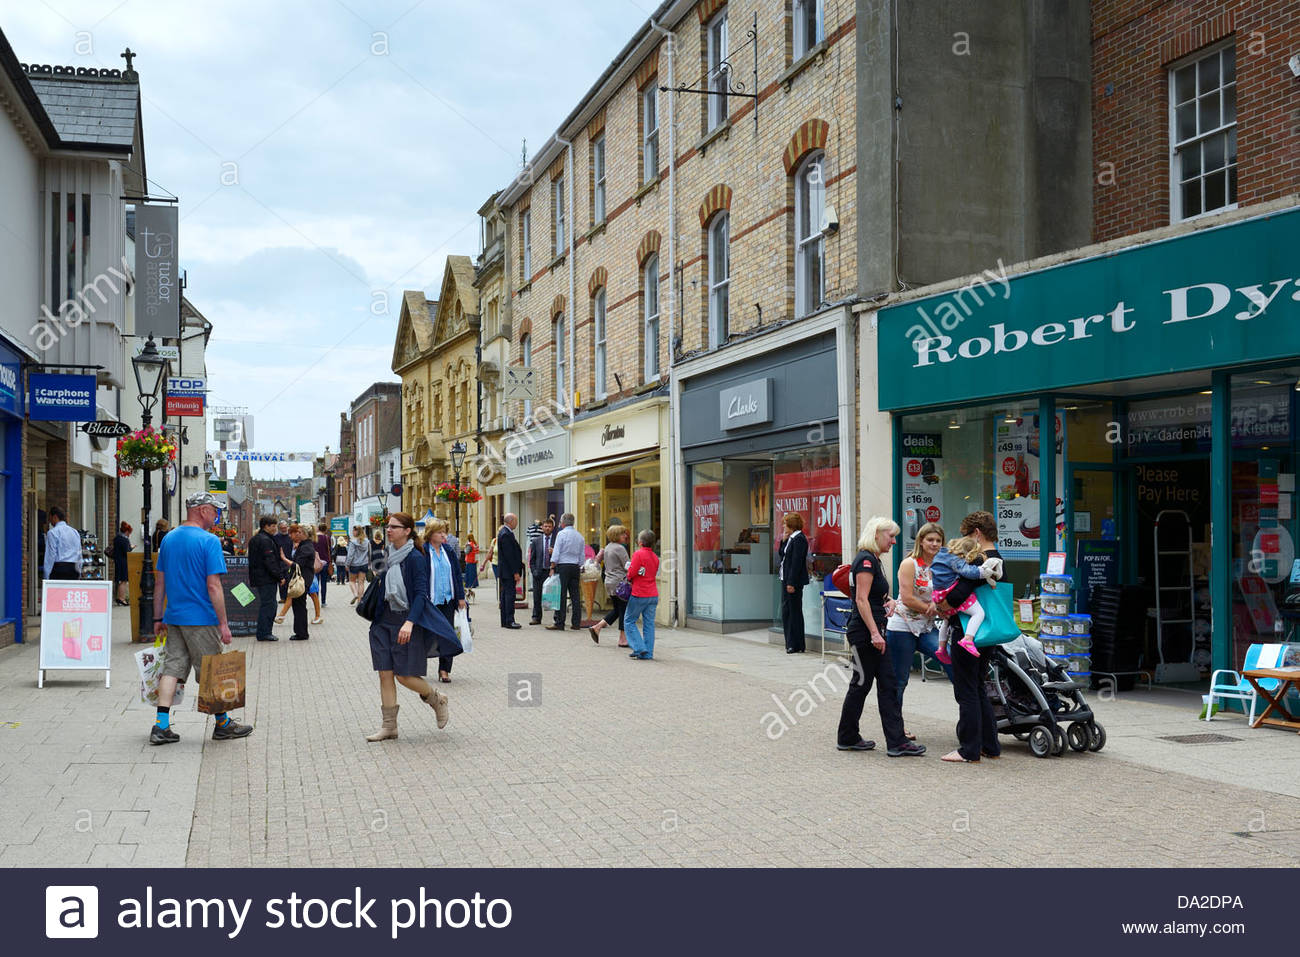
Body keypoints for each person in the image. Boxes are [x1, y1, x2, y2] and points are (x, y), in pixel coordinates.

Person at [148, 492, 253, 745]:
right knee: (211, 671)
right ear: (202, 510)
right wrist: (224, 624)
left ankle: (161, 725)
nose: (216, 516)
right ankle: (223, 724)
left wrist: (157, 618)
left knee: (172, 668)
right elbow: (214, 586)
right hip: (201, 618)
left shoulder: (169, 539)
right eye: (214, 511)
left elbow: (159, 583)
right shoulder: (209, 541)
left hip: (174, 617)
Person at [835, 516, 926, 757]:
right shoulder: (866, 560)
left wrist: (888, 601)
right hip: (867, 633)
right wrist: (875, 633)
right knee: (885, 684)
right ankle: (896, 742)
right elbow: (861, 599)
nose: (894, 541)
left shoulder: (871, 559)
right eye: (891, 536)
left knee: (863, 684)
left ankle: (848, 736)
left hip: (867, 630)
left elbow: (870, 596)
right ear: (876, 534)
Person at [365, 511, 455, 741]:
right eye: (388, 526)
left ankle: (436, 698)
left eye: (394, 527)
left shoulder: (415, 557)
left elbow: (420, 595)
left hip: (404, 620)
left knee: (404, 676)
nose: (389, 530)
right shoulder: (386, 553)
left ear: (407, 531)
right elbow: (377, 580)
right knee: (385, 673)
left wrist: (410, 622)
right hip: (382, 621)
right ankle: (389, 727)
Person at [942, 511, 1005, 764]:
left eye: (968, 534)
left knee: (966, 690)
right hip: (989, 632)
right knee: (978, 688)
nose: (966, 540)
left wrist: (942, 604)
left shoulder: (980, 560)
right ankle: (990, 745)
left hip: (968, 632)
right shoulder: (998, 558)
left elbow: (959, 593)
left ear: (977, 533)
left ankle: (968, 749)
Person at [885, 522, 951, 738]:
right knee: (900, 679)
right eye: (930, 539)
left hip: (927, 627)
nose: (934, 544)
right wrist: (932, 608)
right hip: (903, 626)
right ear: (921, 541)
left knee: (950, 660)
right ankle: (897, 728)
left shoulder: (943, 565)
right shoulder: (909, 563)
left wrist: (941, 606)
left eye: (938, 540)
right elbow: (907, 598)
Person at [931, 536, 1002, 662]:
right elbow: (968, 572)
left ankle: (941, 647)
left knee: (946, 621)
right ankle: (968, 639)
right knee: (979, 613)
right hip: (950, 592)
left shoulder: (940, 555)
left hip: (938, 593)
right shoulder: (956, 560)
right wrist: (982, 571)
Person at [423, 519, 466, 683]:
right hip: (430, 600)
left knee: (447, 636)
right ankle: (416, 666)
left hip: (448, 599)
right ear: (430, 534)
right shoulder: (423, 551)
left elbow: (456, 574)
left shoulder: (448, 550)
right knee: (426, 635)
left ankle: (444, 670)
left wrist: (461, 597)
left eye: (444, 531)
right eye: (439, 532)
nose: (443, 535)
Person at [588, 525, 630, 646]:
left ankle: (597, 627)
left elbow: (599, 560)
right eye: (623, 534)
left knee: (617, 609)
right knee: (623, 609)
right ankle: (623, 638)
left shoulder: (607, 547)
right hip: (620, 582)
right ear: (617, 536)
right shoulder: (620, 548)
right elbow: (627, 566)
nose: (625, 536)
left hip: (609, 581)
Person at [623, 529, 660, 660]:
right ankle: (648, 652)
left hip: (639, 593)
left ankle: (639, 648)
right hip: (653, 594)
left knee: (629, 621)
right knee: (649, 624)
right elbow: (652, 572)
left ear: (640, 542)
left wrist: (629, 573)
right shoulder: (655, 557)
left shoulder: (638, 554)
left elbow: (631, 573)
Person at [247, 514, 284, 642]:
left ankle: (264, 632)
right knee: (269, 605)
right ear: (266, 526)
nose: (275, 528)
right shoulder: (266, 540)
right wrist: (280, 577)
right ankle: (264, 633)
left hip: (259, 577)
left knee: (267, 604)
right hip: (266, 578)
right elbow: (270, 561)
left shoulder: (255, 539)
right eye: (273, 526)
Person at [275, 524, 315, 640]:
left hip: (303, 579)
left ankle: (301, 633)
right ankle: (300, 632)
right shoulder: (303, 545)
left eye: (300, 532)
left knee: (299, 606)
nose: (298, 534)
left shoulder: (306, 547)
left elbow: (297, 565)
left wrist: (284, 558)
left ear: (305, 534)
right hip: (303, 578)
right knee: (298, 605)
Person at [546, 513, 586, 631]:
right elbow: (582, 555)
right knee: (575, 595)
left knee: (561, 595)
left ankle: (560, 622)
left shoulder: (561, 534)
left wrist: (552, 567)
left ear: (562, 523)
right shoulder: (579, 536)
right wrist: (579, 565)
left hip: (563, 566)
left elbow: (556, 552)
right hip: (575, 567)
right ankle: (576, 622)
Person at [777, 512, 810, 654]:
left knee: (794, 611)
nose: (783, 526)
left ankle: (796, 644)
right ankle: (790, 642)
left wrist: (791, 582)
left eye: (785, 523)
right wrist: (783, 541)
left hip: (792, 582)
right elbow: (782, 554)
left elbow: (796, 563)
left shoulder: (799, 539)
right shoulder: (790, 539)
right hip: (785, 579)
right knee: (787, 611)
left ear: (792, 525)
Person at [496, 513, 523, 628]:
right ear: (510, 521)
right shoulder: (506, 534)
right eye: (515, 521)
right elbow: (509, 556)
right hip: (508, 572)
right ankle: (509, 620)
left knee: (505, 595)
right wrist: (515, 572)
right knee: (509, 595)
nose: (516, 523)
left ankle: (505, 620)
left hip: (505, 571)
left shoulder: (505, 533)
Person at [527, 517, 555, 625]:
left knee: (554, 596)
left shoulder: (557, 540)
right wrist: (534, 571)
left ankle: (557, 618)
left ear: (552, 527)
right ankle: (536, 617)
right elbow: (532, 558)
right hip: (539, 571)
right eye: (545, 526)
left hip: (552, 572)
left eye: (549, 526)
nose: (547, 528)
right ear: (542, 527)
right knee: (537, 596)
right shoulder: (536, 541)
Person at [43, 506, 83, 580]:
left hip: (59, 569)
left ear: (55, 517)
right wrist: (79, 570)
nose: (49, 521)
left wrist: (46, 576)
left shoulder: (52, 532)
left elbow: (50, 555)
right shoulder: (75, 532)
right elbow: (79, 553)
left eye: (50, 518)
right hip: (74, 569)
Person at [111, 521, 133, 605]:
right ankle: (121, 598)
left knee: (119, 580)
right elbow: (126, 551)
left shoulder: (117, 538)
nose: (129, 535)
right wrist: (131, 548)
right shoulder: (124, 540)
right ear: (127, 531)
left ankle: (118, 597)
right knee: (123, 581)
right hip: (123, 562)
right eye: (129, 533)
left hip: (117, 561)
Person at [347, 525, 370, 603]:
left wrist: (347, 564)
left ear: (357, 532)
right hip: (364, 564)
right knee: (361, 583)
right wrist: (369, 563)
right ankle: (360, 601)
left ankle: (355, 594)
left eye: (354, 530)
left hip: (354, 564)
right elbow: (370, 553)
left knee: (352, 581)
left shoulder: (353, 542)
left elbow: (350, 555)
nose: (353, 532)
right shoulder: (367, 541)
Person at [274, 520, 292, 601]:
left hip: (289, 561)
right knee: (281, 580)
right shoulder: (276, 537)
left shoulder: (290, 536)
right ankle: (282, 597)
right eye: (282, 528)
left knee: (289, 579)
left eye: (285, 528)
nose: (284, 529)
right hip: (280, 561)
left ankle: (289, 597)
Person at [315, 522, 332, 607]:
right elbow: (329, 550)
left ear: (318, 528)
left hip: (316, 563)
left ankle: (316, 600)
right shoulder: (326, 538)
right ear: (325, 530)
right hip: (325, 562)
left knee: (316, 582)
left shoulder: (314, 538)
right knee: (324, 583)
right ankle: (323, 601)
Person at [463, 534, 479, 601]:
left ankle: (469, 584)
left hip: (469, 560)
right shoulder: (474, 544)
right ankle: (474, 584)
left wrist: (464, 548)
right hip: (474, 560)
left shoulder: (469, 545)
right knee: (473, 573)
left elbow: (466, 552)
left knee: (469, 574)